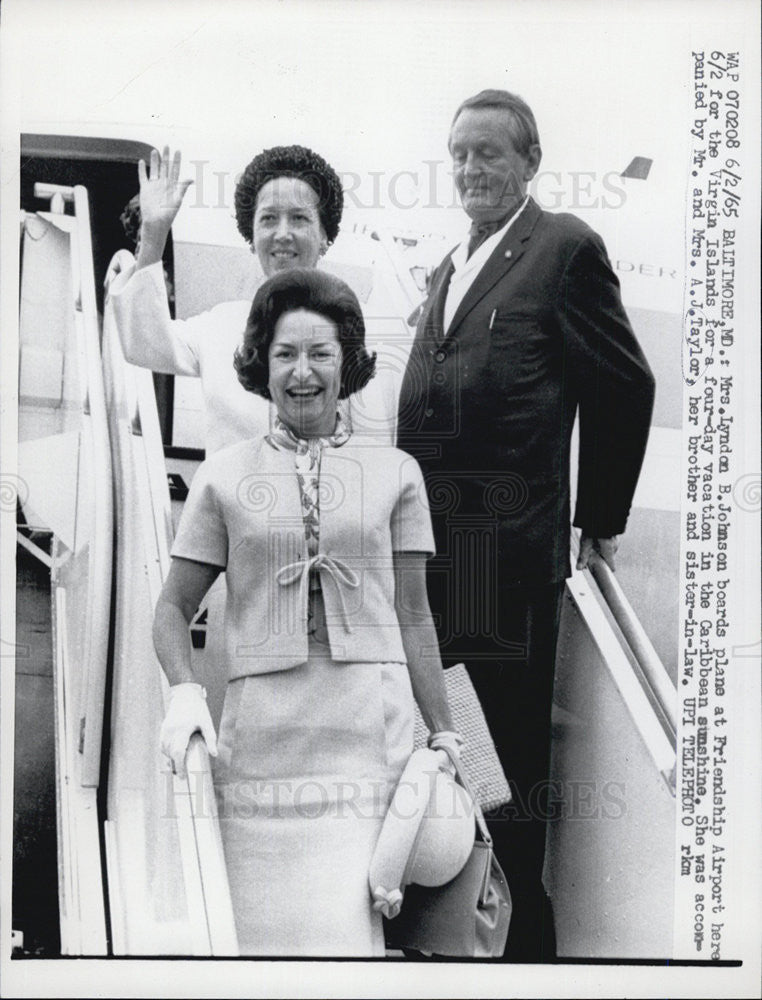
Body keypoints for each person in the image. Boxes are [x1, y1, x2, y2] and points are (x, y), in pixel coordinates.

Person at [395, 89, 656, 961]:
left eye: (489, 155)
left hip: (503, 564)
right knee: (447, 750)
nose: (470, 169)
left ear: (530, 161)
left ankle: (520, 948)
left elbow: (626, 385)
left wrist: (601, 524)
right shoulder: (451, 265)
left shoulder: (564, 249)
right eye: (459, 154)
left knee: (502, 769)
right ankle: (454, 929)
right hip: (430, 563)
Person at [154, 268, 461, 956]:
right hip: (259, 743)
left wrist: (445, 734)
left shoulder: (398, 473)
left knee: (349, 941)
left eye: (321, 354)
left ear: (347, 364)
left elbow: (415, 615)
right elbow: (172, 608)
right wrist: (183, 692)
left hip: (366, 737)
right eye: (285, 353)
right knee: (256, 946)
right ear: (260, 364)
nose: (302, 373)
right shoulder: (223, 474)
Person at [107, 145, 397, 452]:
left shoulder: (366, 329)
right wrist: (154, 235)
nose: (283, 233)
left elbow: (379, 448)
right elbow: (143, 343)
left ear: (326, 236)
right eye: (269, 219)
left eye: (299, 218)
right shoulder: (221, 326)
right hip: (234, 498)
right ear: (251, 236)